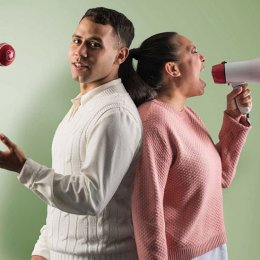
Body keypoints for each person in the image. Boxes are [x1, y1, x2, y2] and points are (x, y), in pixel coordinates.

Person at [0, 7, 145, 260]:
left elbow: (90, 197)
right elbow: (63, 200)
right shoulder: (82, 107)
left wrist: (23, 167)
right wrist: (43, 251)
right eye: (77, 41)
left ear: (120, 55)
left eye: (94, 44)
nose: (81, 52)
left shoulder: (115, 114)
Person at [127, 32, 252, 259]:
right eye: (193, 51)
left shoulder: (185, 114)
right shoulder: (154, 122)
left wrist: (235, 117)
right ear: (173, 69)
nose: (202, 57)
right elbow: (147, 209)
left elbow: (222, 175)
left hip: (212, 248)